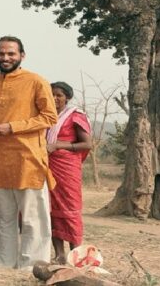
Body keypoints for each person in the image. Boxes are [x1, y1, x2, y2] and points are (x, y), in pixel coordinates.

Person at [0, 36, 58, 269]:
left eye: (11, 53)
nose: (6, 58)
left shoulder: (36, 81)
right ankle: (2, 265)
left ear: (22, 55)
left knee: (33, 219)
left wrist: (12, 127)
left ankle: (32, 266)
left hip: (28, 159)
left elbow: (50, 117)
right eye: (1, 53)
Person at [47, 81, 92, 264]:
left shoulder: (75, 116)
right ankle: (59, 255)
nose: (55, 98)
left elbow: (87, 144)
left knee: (70, 209)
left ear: (67, 98)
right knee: (51, 210)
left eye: (59, 95)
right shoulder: (46, 116)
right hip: (48, 167)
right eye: (52, 95)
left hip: (67, 168)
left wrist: (58, 145)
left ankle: (76, 255)